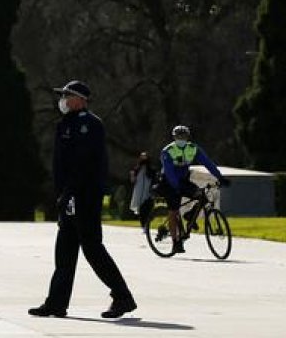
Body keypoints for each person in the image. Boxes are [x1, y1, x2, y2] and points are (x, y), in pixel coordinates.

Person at [29, 80, 137, 320]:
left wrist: (70, 192)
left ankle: (122, 296)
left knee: (92, 248)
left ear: (80, 99)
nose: (63, 100)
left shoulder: (90, 124)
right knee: (64, 251)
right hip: (68, 196)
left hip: (84, 196)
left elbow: (84, 163)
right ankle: (56, 302)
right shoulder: (66, 124)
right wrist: (61, 194)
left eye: (67, 95)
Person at [157, 125, 230, 254]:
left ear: (187, 137)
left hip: (183, 181)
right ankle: (175, 243)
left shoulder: (193, 149)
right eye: (178, 136)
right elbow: (169, 172)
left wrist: (220, 177)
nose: (181, 139)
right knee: (173, 211)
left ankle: (190, 216)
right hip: (169, 183)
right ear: (174, 137)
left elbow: (208, 163)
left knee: (202, 196)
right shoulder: (168, 151)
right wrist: (176, 186)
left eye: (183, 136)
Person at [128, 151, 155, 230]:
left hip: (147, 192)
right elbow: (133, 180)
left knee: (147, 208)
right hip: (138, 192)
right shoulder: (137, 169)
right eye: (142, 157)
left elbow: (153, 179)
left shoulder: (151, 169)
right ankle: (143, 225)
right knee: (141, 210)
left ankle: (146, 224)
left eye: (145, 156)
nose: (143, 158)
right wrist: (132, 175)